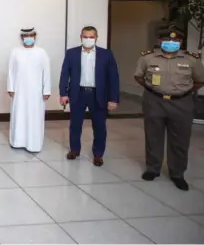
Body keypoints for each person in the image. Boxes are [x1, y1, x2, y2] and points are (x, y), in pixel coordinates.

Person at [134, 28, 204, 191]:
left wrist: (183, 92)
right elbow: (138, 76)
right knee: (153, 136)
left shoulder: (191, 60)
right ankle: (153, 169)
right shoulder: (148, 58)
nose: (171, 43)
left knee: (180, 140)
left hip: (182, 103)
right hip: (154, 101)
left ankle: (177, 174)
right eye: (167, 41)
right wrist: (153, 89)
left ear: (180, 42)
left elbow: (200, 80)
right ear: (160, 42)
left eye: (175, 41)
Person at [59, 26, 120, 166]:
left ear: (96, 38)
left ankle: (98, 154)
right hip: (78, 93)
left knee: (99, 126)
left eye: (91, 37)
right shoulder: (71, 53)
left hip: (98, 95)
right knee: (75, 124)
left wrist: (113, 98)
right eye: (85, 36)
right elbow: (64, 75)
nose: (88, 39)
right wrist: (63, 93)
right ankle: (74, 150)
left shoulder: (106, 54)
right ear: (81, 37)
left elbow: (113, 78)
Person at [7, 27, 51, 152]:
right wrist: (10, 87)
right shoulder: (15, 51)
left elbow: (46, 72)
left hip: (36, 92)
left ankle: (34, 144)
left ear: (35, 37)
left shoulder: (41, 52)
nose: (29, 38)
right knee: (19, 115)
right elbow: (11, 71)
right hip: (19, 91)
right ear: (22, 38)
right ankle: (17, 142)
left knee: (35, 116)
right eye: (26, 36)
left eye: (31, 36)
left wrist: (46, 90)